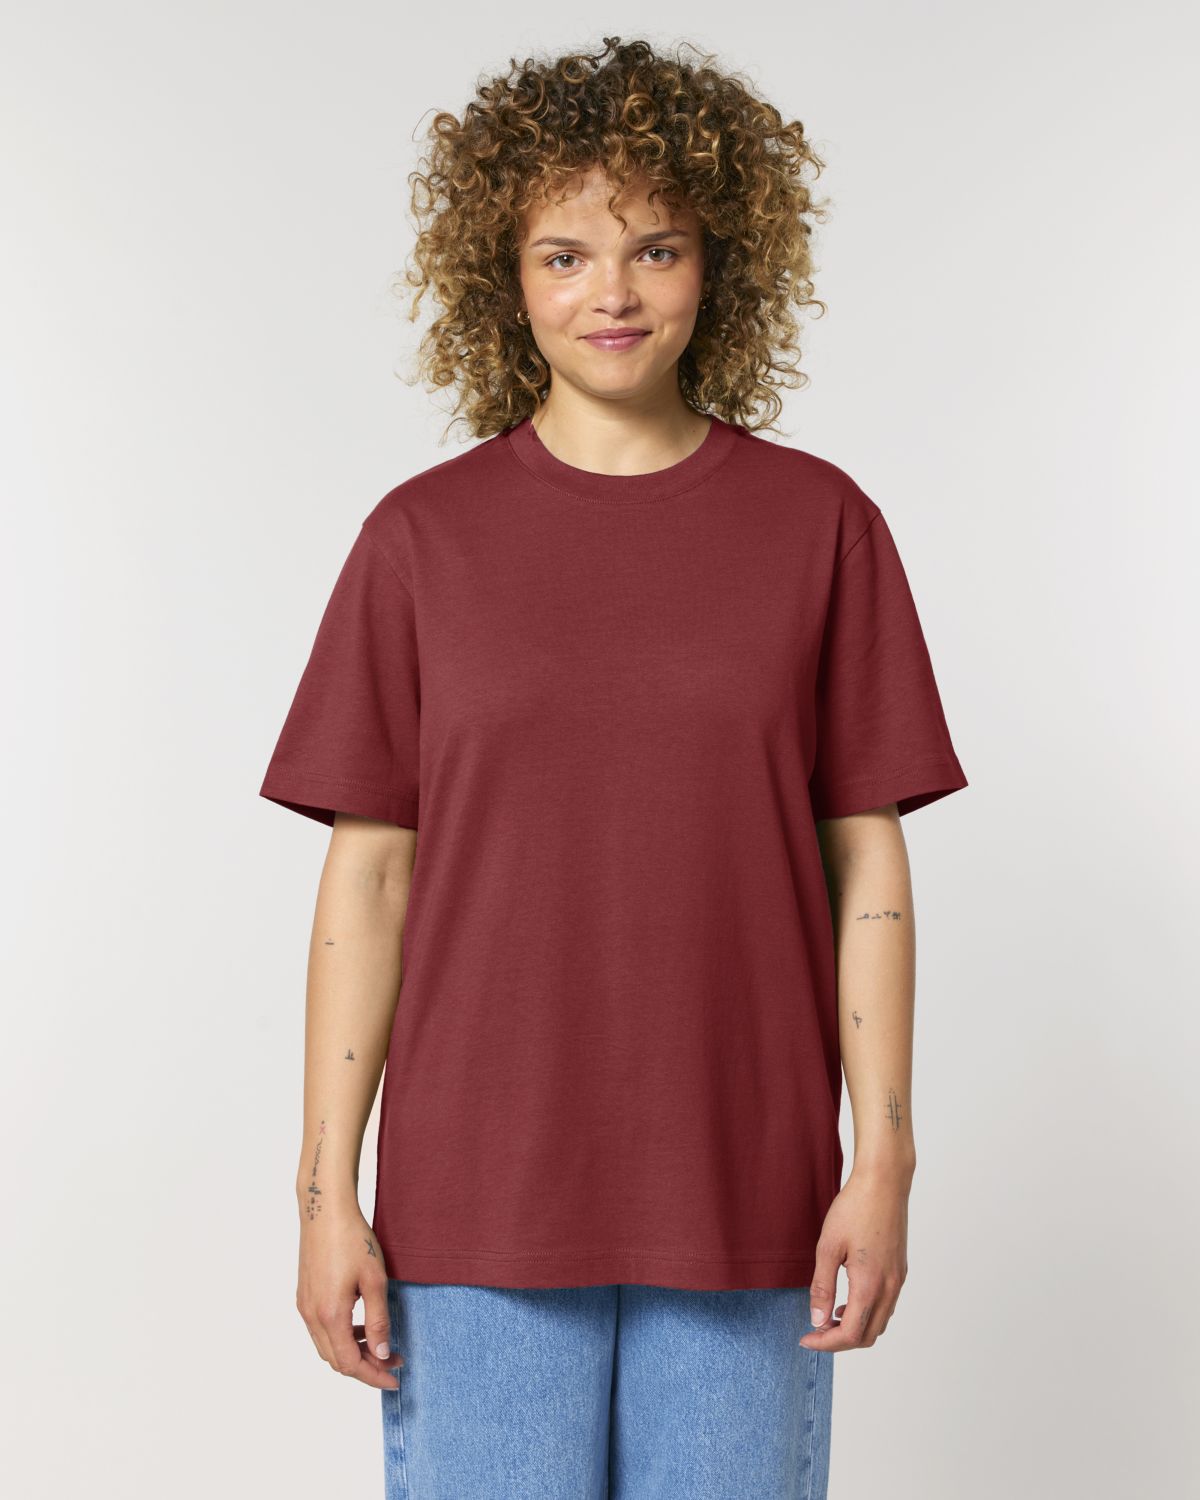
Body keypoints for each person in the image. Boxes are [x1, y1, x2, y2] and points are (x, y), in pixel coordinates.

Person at [258, 35, 968, 1500]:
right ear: (506, 280)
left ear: (718, 263)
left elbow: (868, 866)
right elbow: (368, 882)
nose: (614, 294)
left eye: (656, 248)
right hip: (476, 1203)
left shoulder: (821, 527)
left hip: (749, 1195)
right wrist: (326, 1193)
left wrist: (884, 1160)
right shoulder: (421, 540)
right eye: (564, 255)